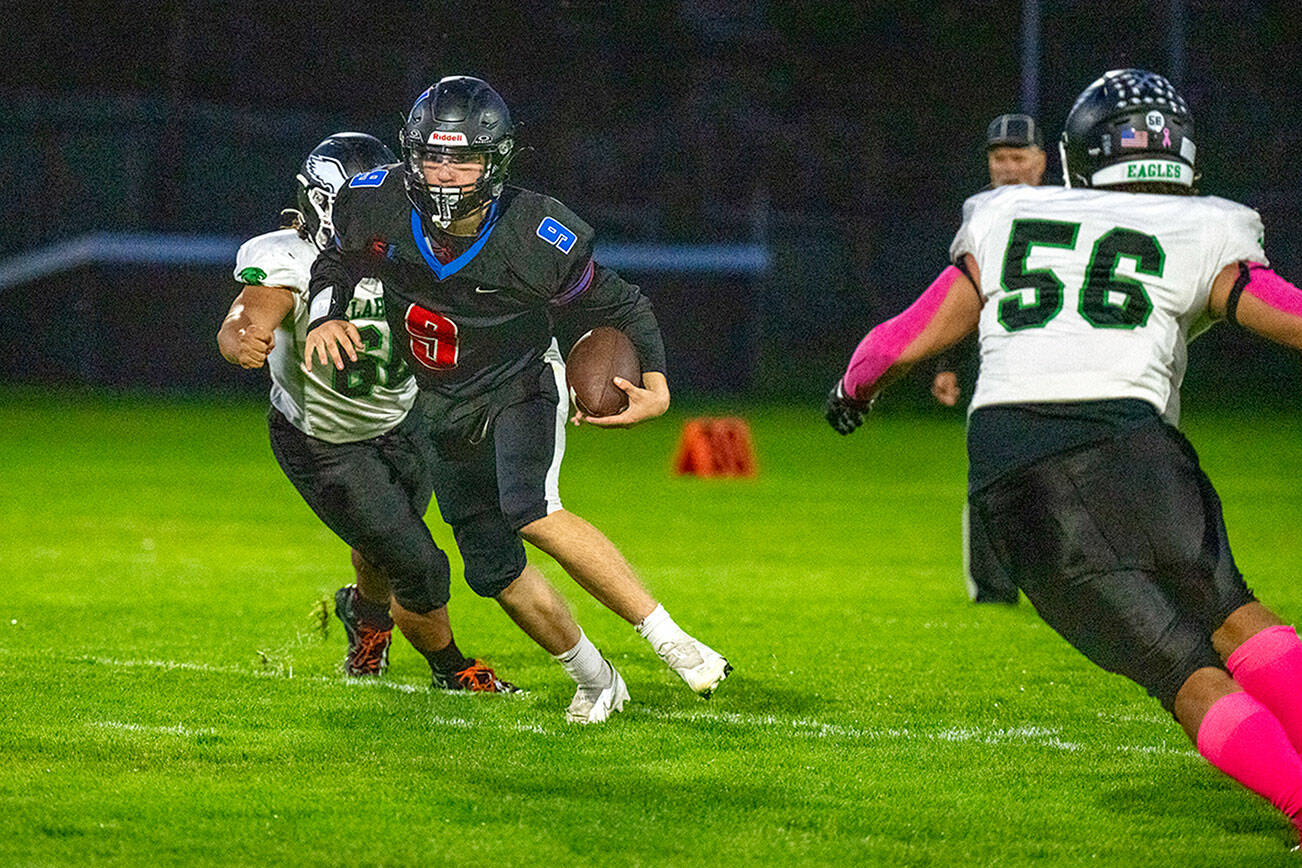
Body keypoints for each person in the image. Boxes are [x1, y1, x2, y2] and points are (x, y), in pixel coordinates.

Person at [827, 69, 1302, 845]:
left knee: (1182, 672)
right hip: (1141, 448)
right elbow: (1279, 311)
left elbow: (905, 334)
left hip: (1024, 469)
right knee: (1236, 617)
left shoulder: (1006, 213)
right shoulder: (1208, 225)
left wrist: (855, 386)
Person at [303, 77, 730, 723]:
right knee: (493, 569)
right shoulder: (374, 203)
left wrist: (661, 386)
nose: (446, 175)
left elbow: (620, 304)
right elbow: (337, 262)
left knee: (531, 509)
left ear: (496, 162)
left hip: (520, 383)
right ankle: (595, 678)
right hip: (440, 402)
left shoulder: (537, 232)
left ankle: (672, 640)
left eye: (464, 158)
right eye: (434, 157)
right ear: (409, 154)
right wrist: (323, 317)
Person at [218, 132, 514, 692]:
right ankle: (450, 668)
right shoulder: (289, 253)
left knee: (384, 541)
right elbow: (251, 310)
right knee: (419, 563)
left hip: (404, 421)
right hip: (322, 440)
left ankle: (365, 617)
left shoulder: (417, 248)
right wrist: (243, 335)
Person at [933, 113, 1048, 605]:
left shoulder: (1072, 206)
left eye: (1018, 157)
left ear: (1042, 161)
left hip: (1063, 356)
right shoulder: (979, 209)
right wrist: (947, 362)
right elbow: (965, 293)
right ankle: (995, 588)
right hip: (1000, 357)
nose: (1007, 167)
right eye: (998, 158)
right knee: (993, 472)